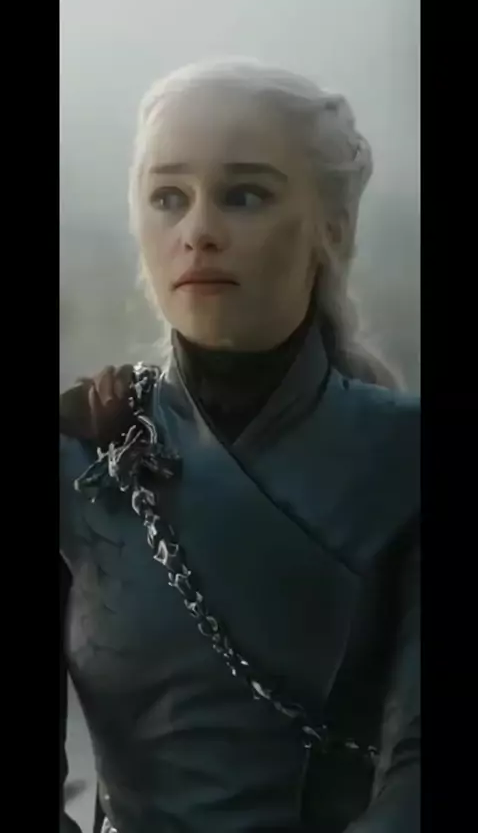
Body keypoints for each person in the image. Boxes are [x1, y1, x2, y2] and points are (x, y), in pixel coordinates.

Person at [59, 57, 420, 833]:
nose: (198, 232)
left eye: (244, 195)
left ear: (331, 226)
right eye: (168, 198)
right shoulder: (76, 456)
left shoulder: (407, 459)